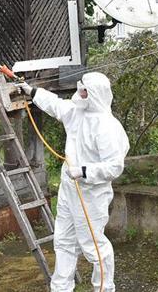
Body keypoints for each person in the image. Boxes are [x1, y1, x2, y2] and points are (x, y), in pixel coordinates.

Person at [19, 72, 129, 292]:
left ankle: (104, 289)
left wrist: (84, 171)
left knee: (93, 246)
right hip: (69, 189)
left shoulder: (107, 126)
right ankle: (61, 288)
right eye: (81, 87)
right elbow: (55, 104)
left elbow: (114, 166)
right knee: (64, 241)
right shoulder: (76, 112)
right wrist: (31, 91)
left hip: (91, 194)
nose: (80, 92)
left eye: (85, 89)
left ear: (96, 94)